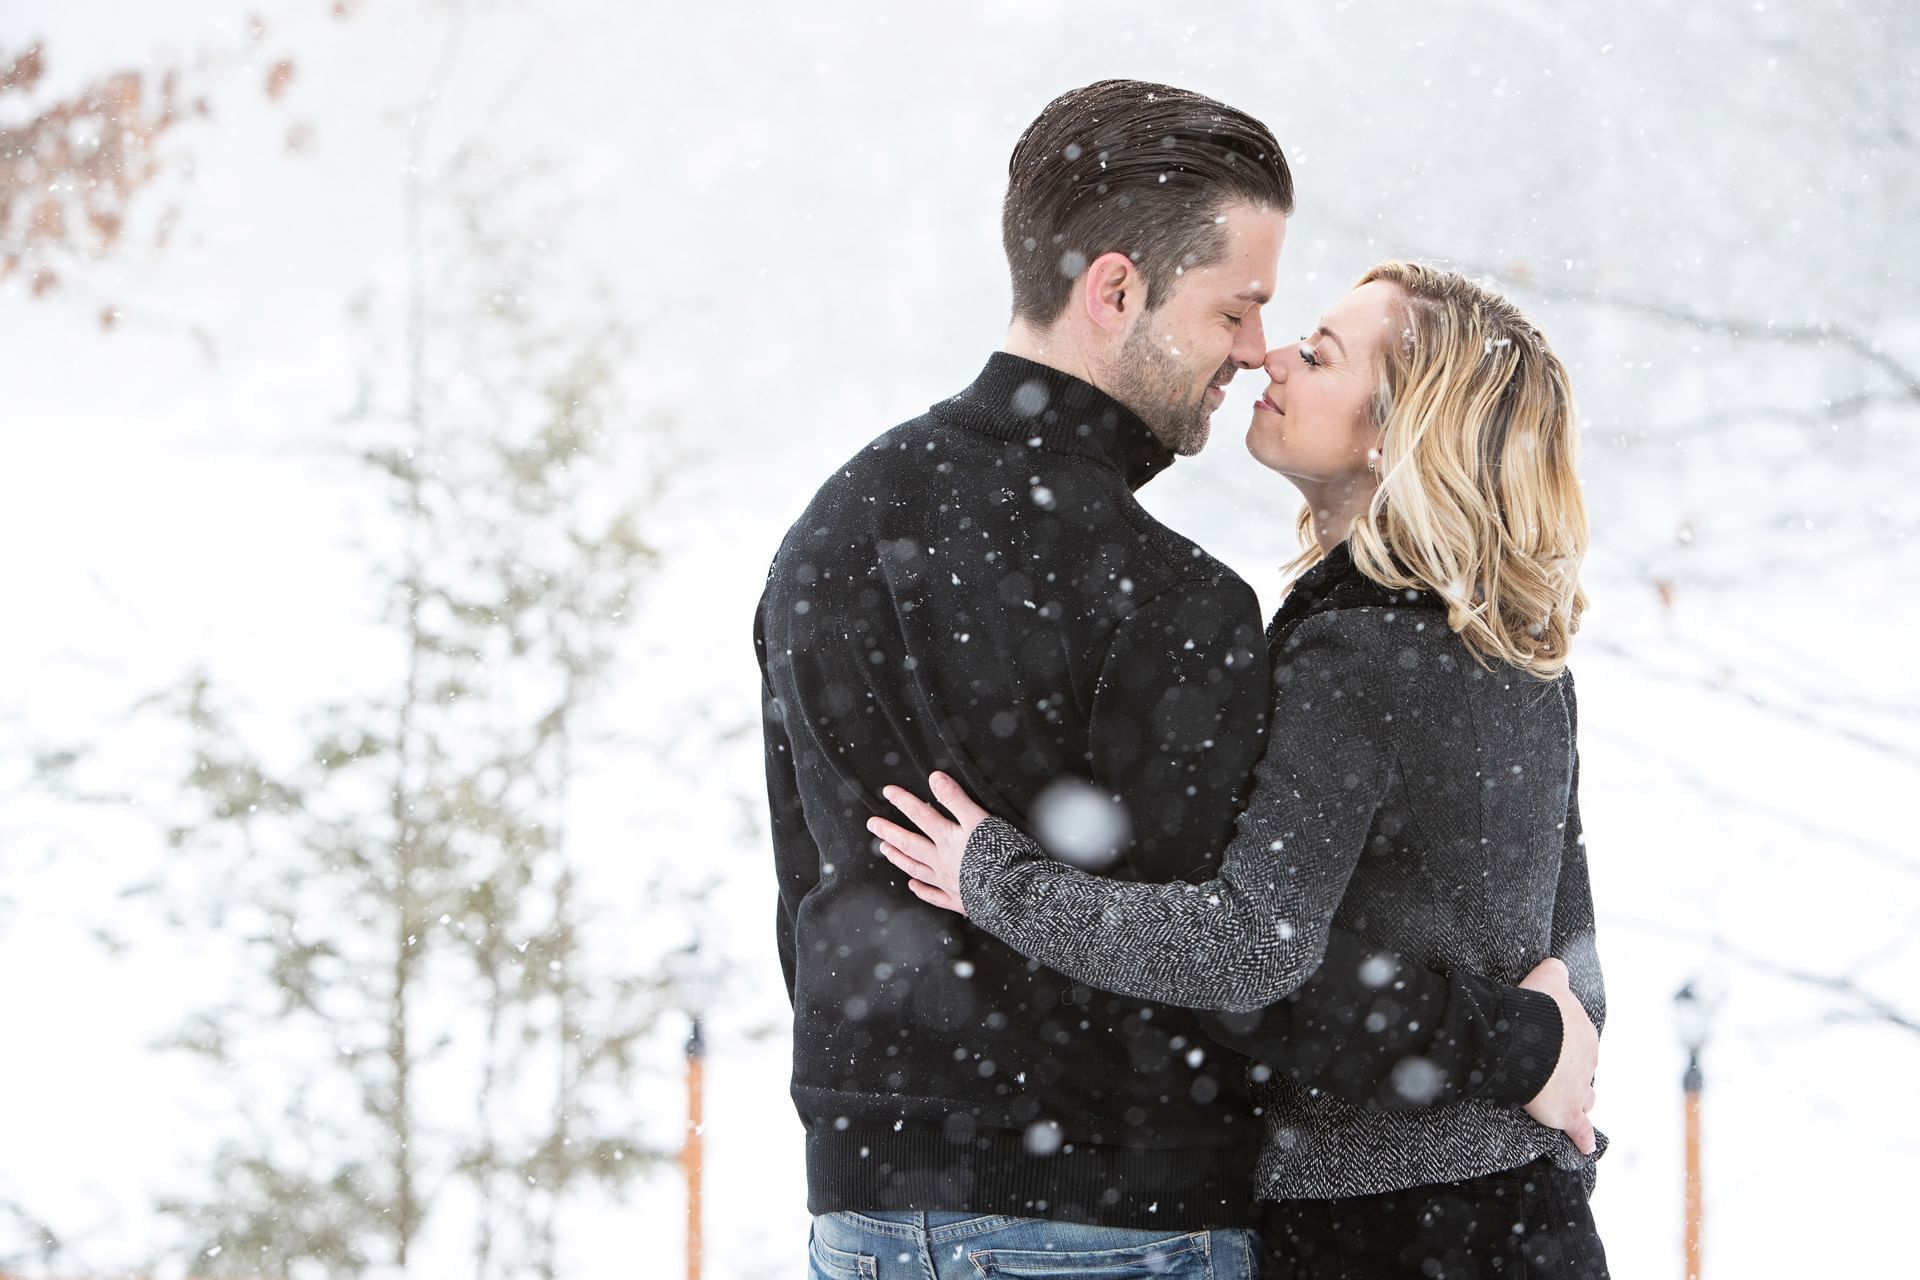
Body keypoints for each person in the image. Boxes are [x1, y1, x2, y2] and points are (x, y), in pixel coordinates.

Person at [755, 79, 1598, 1280]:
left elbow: (812, 888)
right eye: (1241, 310)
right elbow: (1251, 976)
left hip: (864, 1211)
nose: (1256, 352)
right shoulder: (1178, 600)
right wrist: (1522, 1043)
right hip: (1124, 1214)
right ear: (1116, 289)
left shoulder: (831, 532)